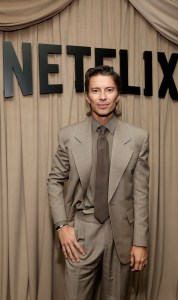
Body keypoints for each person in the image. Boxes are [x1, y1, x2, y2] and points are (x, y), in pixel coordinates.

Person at [47, 65, 149, 300]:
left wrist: (140, 242)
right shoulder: (68, 136)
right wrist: (62, 226)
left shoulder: (138, 138)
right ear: (86, 96)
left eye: (109, 90)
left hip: (121, 234)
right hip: (82, 230)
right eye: (95, 91)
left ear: (118, 95)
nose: (102, 97)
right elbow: (54, 181)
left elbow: (141, 194)